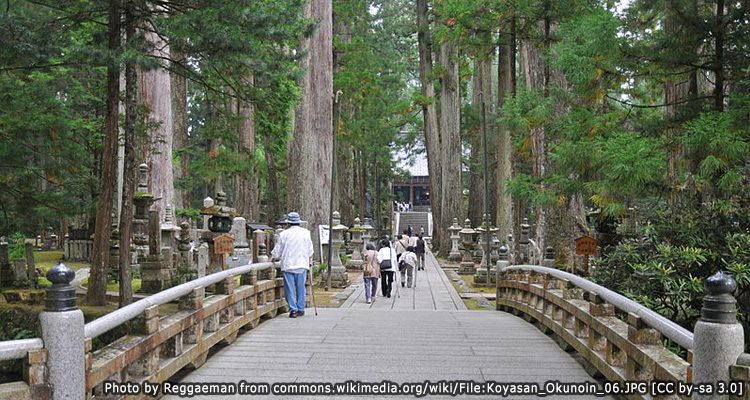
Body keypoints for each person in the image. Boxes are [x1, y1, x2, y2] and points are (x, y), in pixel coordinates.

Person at [271, 211, 313, 318]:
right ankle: (301, 308)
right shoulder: (306, 233)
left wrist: (271, 258)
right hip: (302, 264)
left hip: (288, 264)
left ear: (288, 223)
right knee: (301, 287)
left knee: (289, 288)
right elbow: (310, 250)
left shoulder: (284, 234)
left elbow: (277, 251)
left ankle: (293, 309)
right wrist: (310, 261)